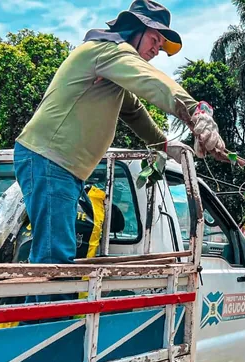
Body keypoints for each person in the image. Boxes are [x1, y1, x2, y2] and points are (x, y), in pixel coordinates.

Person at [13, 0, 223, 300]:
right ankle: (44, 337)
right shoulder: (108, 50)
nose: (156, 50)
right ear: (136, 29)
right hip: (50, 160)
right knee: (54, 260)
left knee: (57, 256)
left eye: (161, 46)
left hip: (60, 166)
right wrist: (197, 111)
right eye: (155, 40)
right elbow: (152, 82)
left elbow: (133, 110)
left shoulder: (112, 71)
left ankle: (46, 327)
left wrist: (164, 143)